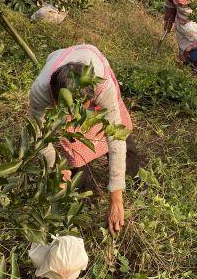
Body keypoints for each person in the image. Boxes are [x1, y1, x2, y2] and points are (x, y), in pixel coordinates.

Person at [29, 44, 144, 233]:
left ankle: (133, 177)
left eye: (83, 106)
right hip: (59, 64)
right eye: (69, 109)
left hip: (92, 58)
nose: (76, 115)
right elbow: (39, 136)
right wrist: (56, 167)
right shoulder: (41, 92)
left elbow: (115, 137)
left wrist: (116, 198)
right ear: (56, 99)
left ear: (92, 97)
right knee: (72, 145)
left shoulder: (102, 86)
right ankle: (86, 194)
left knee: (122, 134)